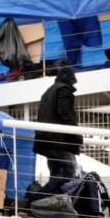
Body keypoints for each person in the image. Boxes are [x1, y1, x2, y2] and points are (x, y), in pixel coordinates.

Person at [33, 59, 82, 197]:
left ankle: (48, 201)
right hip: (58, 141)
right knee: (69, 171)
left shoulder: (48, 92)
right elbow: (64, 112)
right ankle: (38, 197)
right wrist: (76, 134)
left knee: (55, 173)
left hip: (45, 140)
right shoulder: (63, 89)